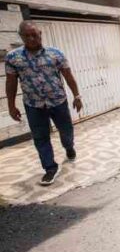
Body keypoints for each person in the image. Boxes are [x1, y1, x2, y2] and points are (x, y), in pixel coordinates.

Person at [5, 21, 83, 186]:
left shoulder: (56, 53)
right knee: (40, 137)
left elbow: (68, 75)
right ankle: (50, 168)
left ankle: (69, 147)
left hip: (58, 102)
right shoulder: (13, 57)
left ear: (40, 34)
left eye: (35, 34)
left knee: (66, 130)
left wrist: (77, 95)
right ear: (21, 37)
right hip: (33, 105)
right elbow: (11, 83)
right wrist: (11, 106)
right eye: (27, 36)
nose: (32, 38)